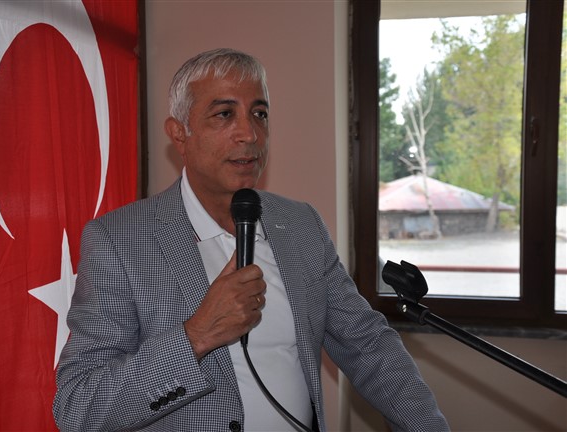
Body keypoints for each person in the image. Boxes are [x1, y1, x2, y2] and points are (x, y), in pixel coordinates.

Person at [53, 48, 449, 432]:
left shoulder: (301, 224)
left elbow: (369, 347)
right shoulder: (119, 240)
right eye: (224, 114)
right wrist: (196, 335)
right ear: (179, 133)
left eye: (259, 114)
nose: (249, 133)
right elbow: (79, 406)